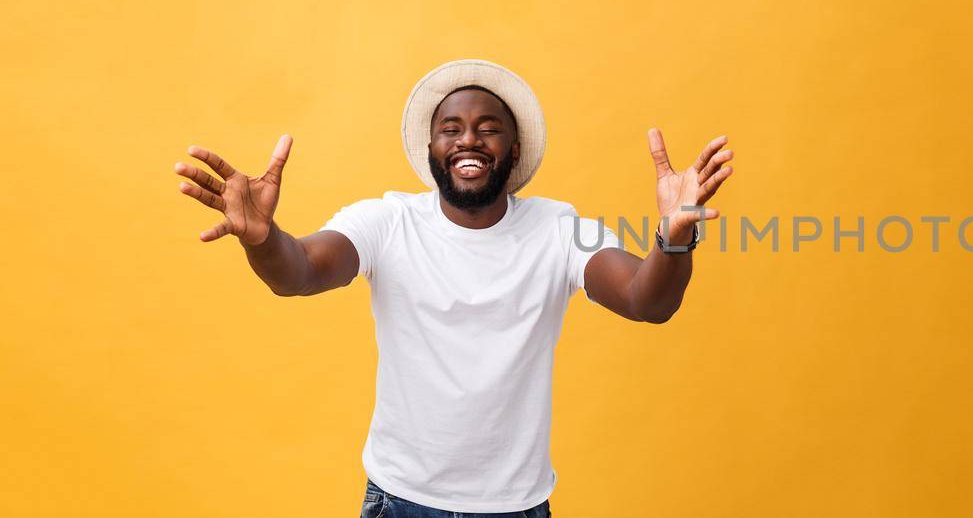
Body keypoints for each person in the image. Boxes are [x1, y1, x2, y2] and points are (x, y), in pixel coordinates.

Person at [171, 59, 734, 517]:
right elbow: (300, 273)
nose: (470, 140)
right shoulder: (388, 221)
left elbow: (647, 300)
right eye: (452, 129)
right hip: (400, 500)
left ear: (513, 151)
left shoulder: (559, 229)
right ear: (433, 149)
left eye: (490, 129)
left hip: (515, 507)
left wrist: (673, 237)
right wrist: (262, 239)